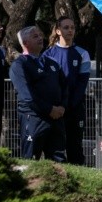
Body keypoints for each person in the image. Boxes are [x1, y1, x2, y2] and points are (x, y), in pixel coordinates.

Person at [9, 25, 68, 161]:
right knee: (31, 158)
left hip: (56, 119)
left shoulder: (51, 63)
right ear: (25, 43)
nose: (40, 38)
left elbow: (64, 87)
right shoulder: (19, 65)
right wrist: (49, 109)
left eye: (40, 35)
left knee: (58, 160)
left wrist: (62, 108)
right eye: (35, 36)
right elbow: (27, 96)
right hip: (34, 118)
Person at [41, 17, 91, 165]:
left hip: (74, 108)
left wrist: (69, 105)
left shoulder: (82, 53)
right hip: (55, 110)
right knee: (55, 148)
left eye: (72, 27)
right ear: (58, 31)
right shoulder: (48, 54)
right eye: (66, 27)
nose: (70, 30)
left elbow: (82, 83)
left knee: (75, 146)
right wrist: (56, 106)